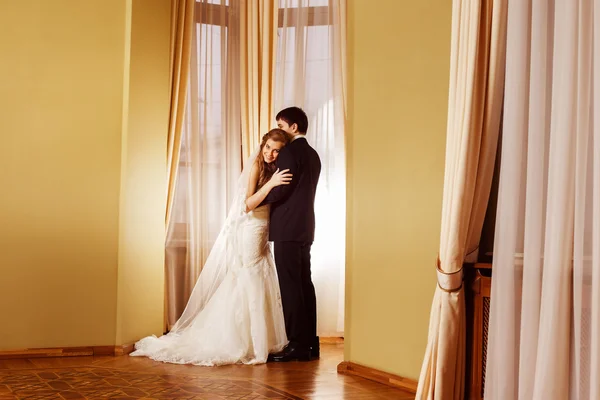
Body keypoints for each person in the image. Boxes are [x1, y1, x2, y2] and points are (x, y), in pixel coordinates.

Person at [130, 129, 292, 366]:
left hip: (263, 227)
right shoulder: (257, 166)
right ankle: (251, 345)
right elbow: (247, 204)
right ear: (262, 145)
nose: (270, 153)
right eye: (267, 147)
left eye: (276, 150)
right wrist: (271, 185)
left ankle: (258, 340)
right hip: (251, 227)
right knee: (250, 275)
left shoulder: (274, 168)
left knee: (257, 276)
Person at [263, 107, 322, 362]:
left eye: (282, 125)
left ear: (294, 127)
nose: (280, 130)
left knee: (290, 286)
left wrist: (261, 196)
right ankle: (311, 343)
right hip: (306, 226)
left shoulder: (289, 152)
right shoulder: (314, 155)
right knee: (304, 284)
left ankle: (296, 345)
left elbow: (281, 190)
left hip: (287, 228)